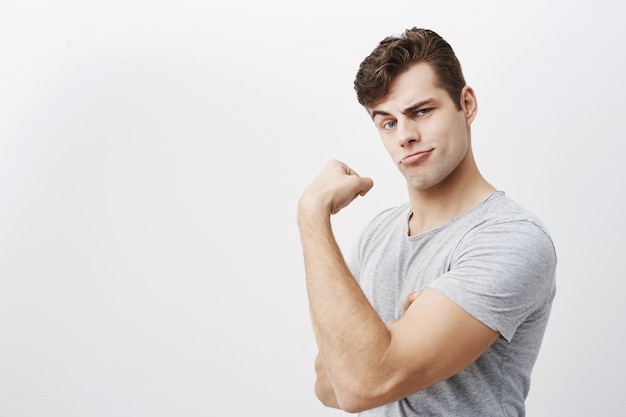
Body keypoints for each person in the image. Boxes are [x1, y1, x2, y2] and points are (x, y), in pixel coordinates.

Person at [297, 28, 557, 416]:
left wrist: (311, 215)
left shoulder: (511, 238)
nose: (405, 136)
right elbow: (326, 382)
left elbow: (360, 386)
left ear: (465, 104)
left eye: (421, 111)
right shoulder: (376, 235)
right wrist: (387, 343)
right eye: (387, 122)